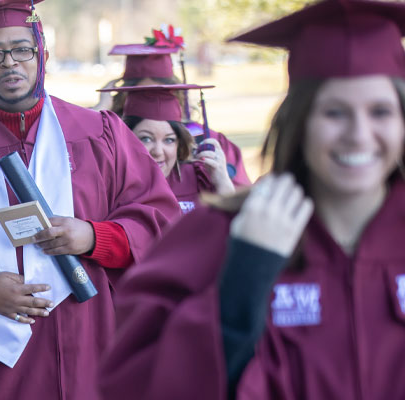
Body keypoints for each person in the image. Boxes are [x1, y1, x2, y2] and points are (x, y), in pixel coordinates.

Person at [99, 1, 405, 399]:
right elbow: (135, 384)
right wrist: (244, 276)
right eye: (334, 113)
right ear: (299, 121)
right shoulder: (220, 235)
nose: (359, 135)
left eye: (380, 112)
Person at [0, 1, 179, 399]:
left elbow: (160, 222)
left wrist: (93, 237)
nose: (9, 63)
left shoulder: (100, 136)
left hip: (90, 349)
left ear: (43, 56)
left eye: (22, 49)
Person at [98, 28, 252, 186]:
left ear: (177, 92)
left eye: (163, 92)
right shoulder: (110, 141)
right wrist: (100, 109)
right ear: (123, 96)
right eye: (141, 94)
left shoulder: (206, 139)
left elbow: (238, 194)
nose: (155, 100)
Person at [99, 84, 236, 213]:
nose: (158, 151)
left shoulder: (198, 178)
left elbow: (232, 227)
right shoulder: (111, 185)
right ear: (125, 140)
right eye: (146, 139)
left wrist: (223, 182)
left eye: (169, 140)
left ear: (179, 144)